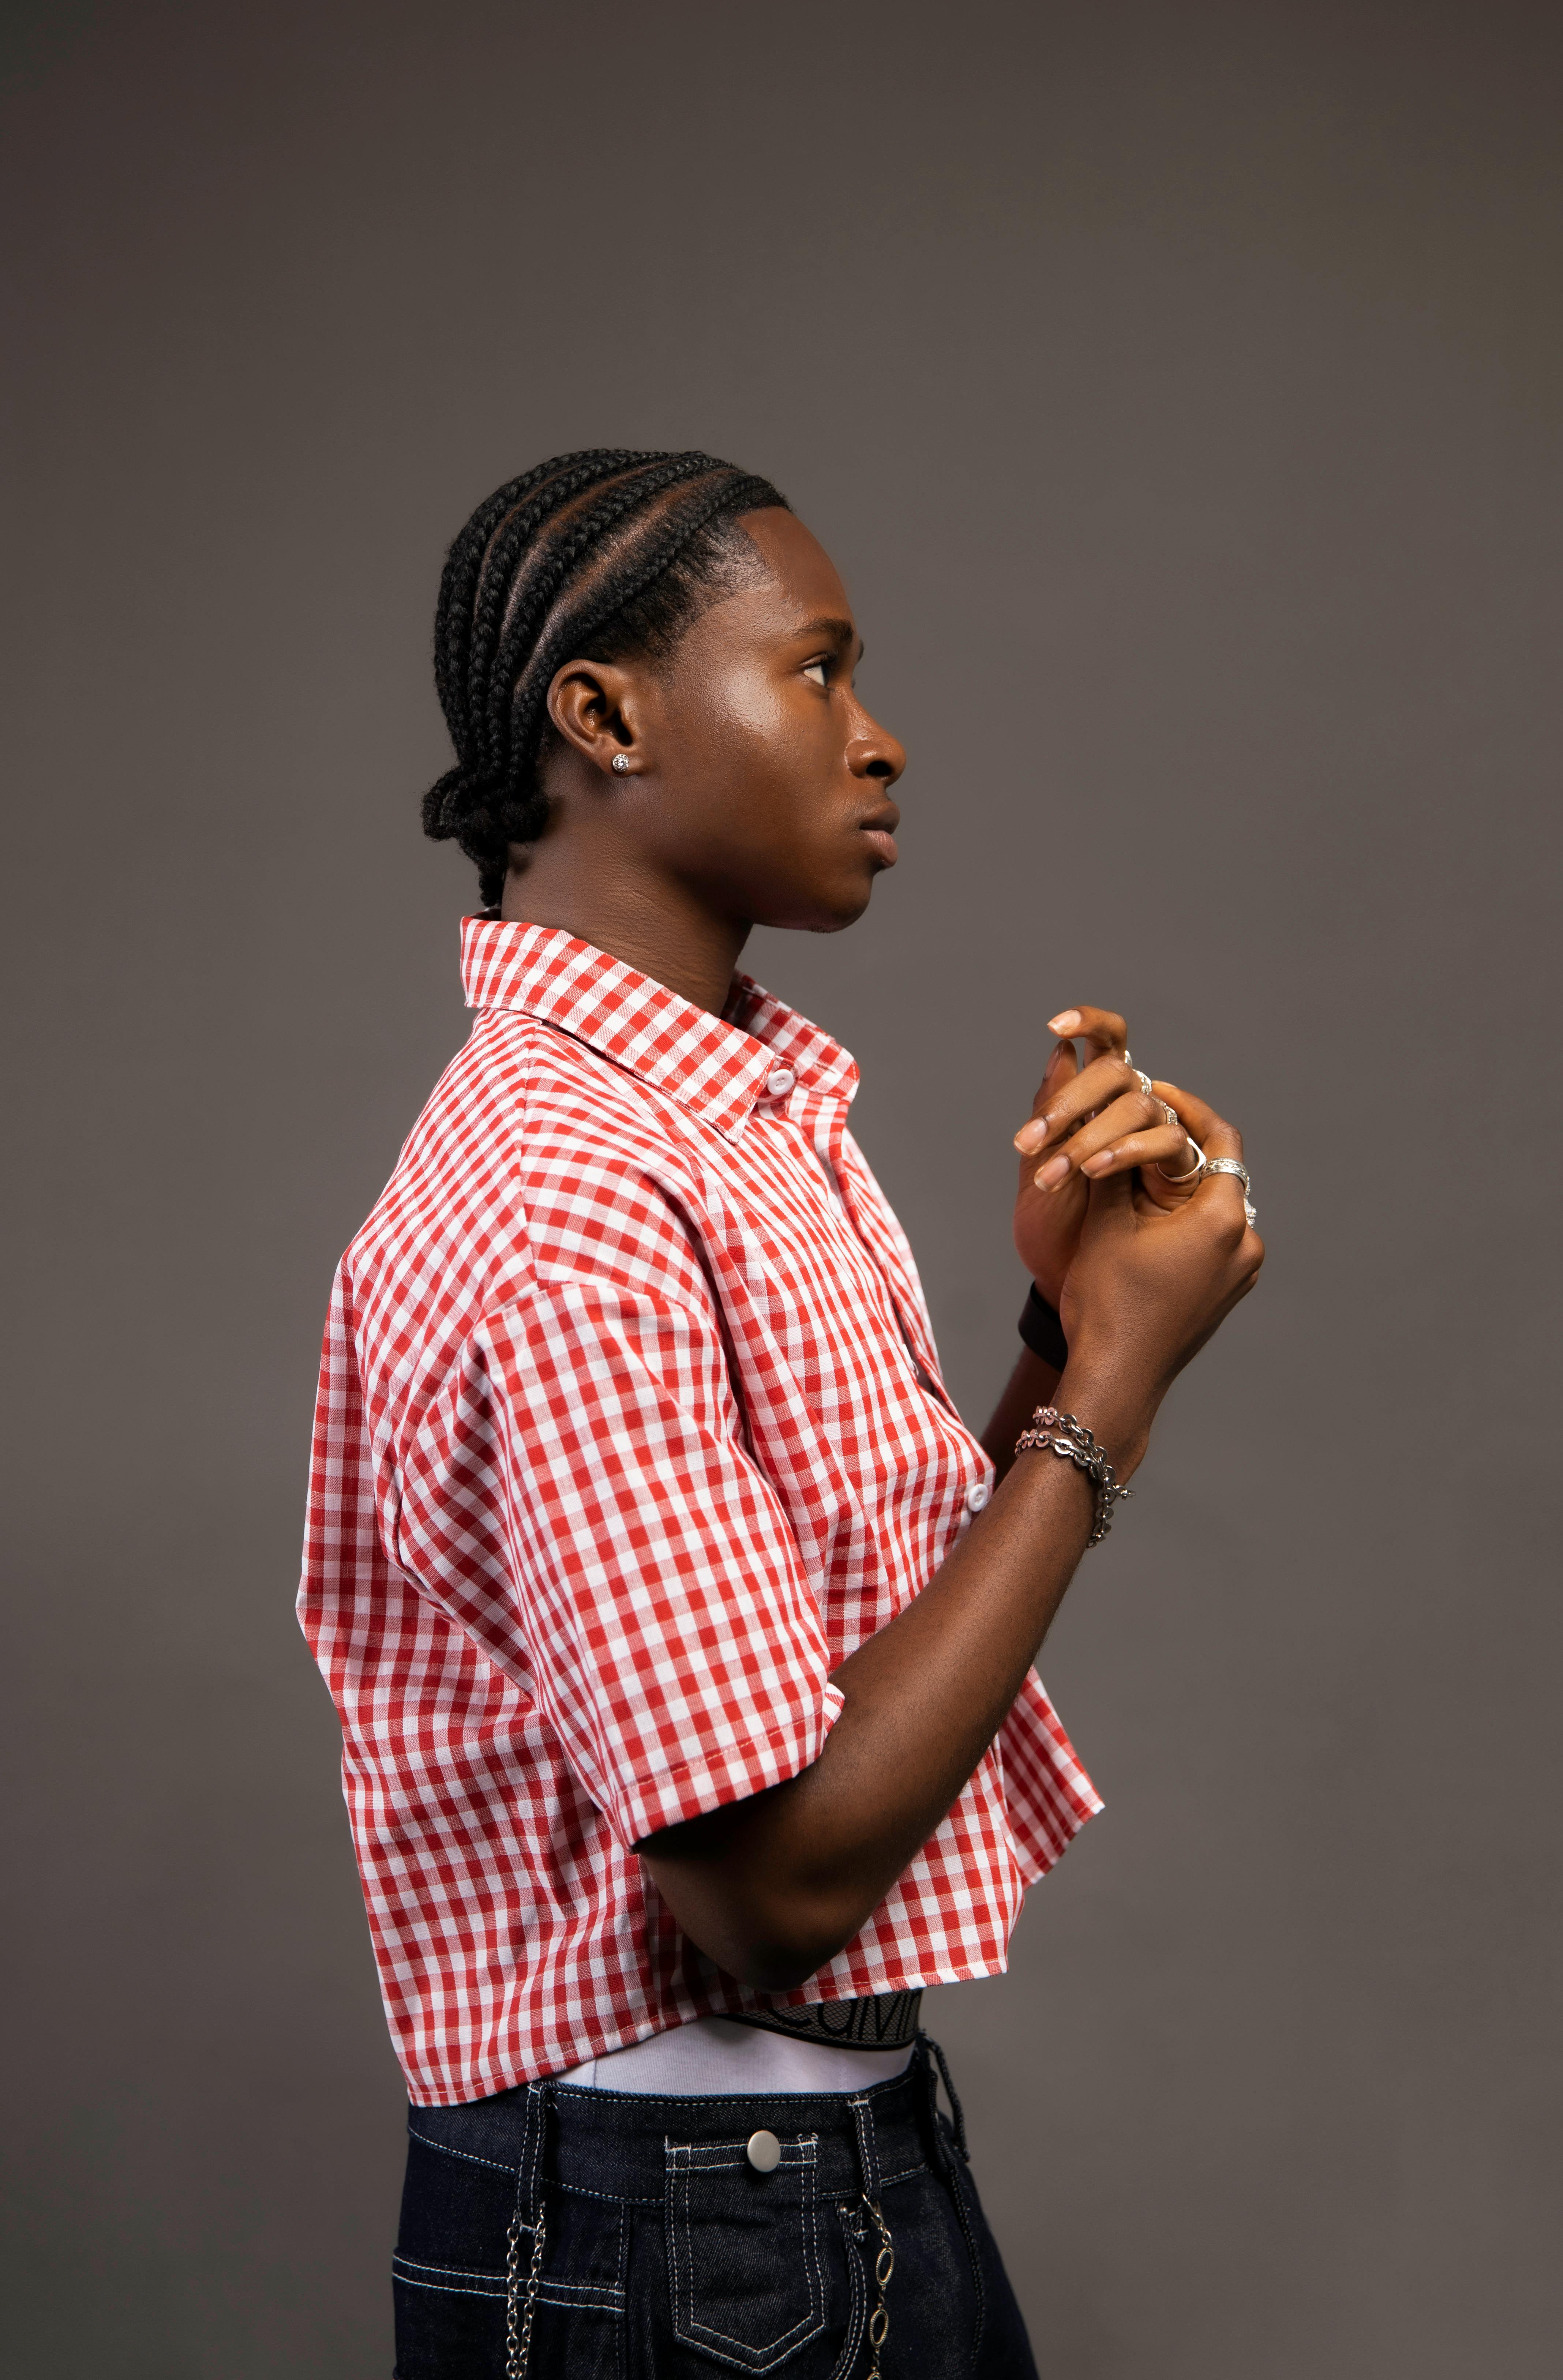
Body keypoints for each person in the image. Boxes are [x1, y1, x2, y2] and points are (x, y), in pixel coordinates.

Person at [298, 449, 1262, 2379]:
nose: (881, 738)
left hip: (806, 2186)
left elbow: (837, 1667)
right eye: (816, 671)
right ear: (605, 713)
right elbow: (773, 1889)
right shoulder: (566, 1196)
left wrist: (1073, 1332)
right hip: (686, 2234)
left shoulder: (720, 1129)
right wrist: (1107, 1394)